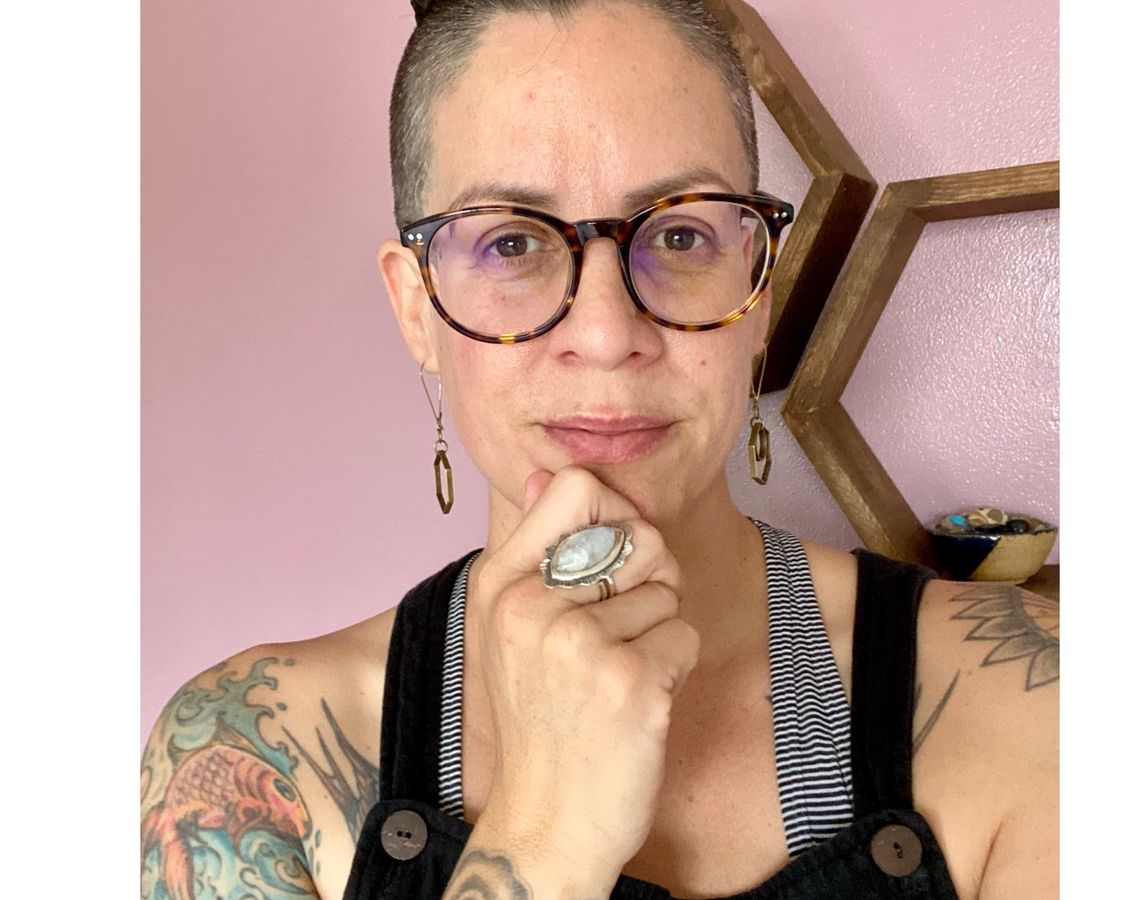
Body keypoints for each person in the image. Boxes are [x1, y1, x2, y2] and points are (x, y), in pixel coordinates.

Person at [140, 0, 1058, 897]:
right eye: (512, 242)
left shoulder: (1036, 703)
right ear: (418, 309)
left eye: (682, 233)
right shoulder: (249, 760)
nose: (607, 333)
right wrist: (547, 834)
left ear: (758, 287)